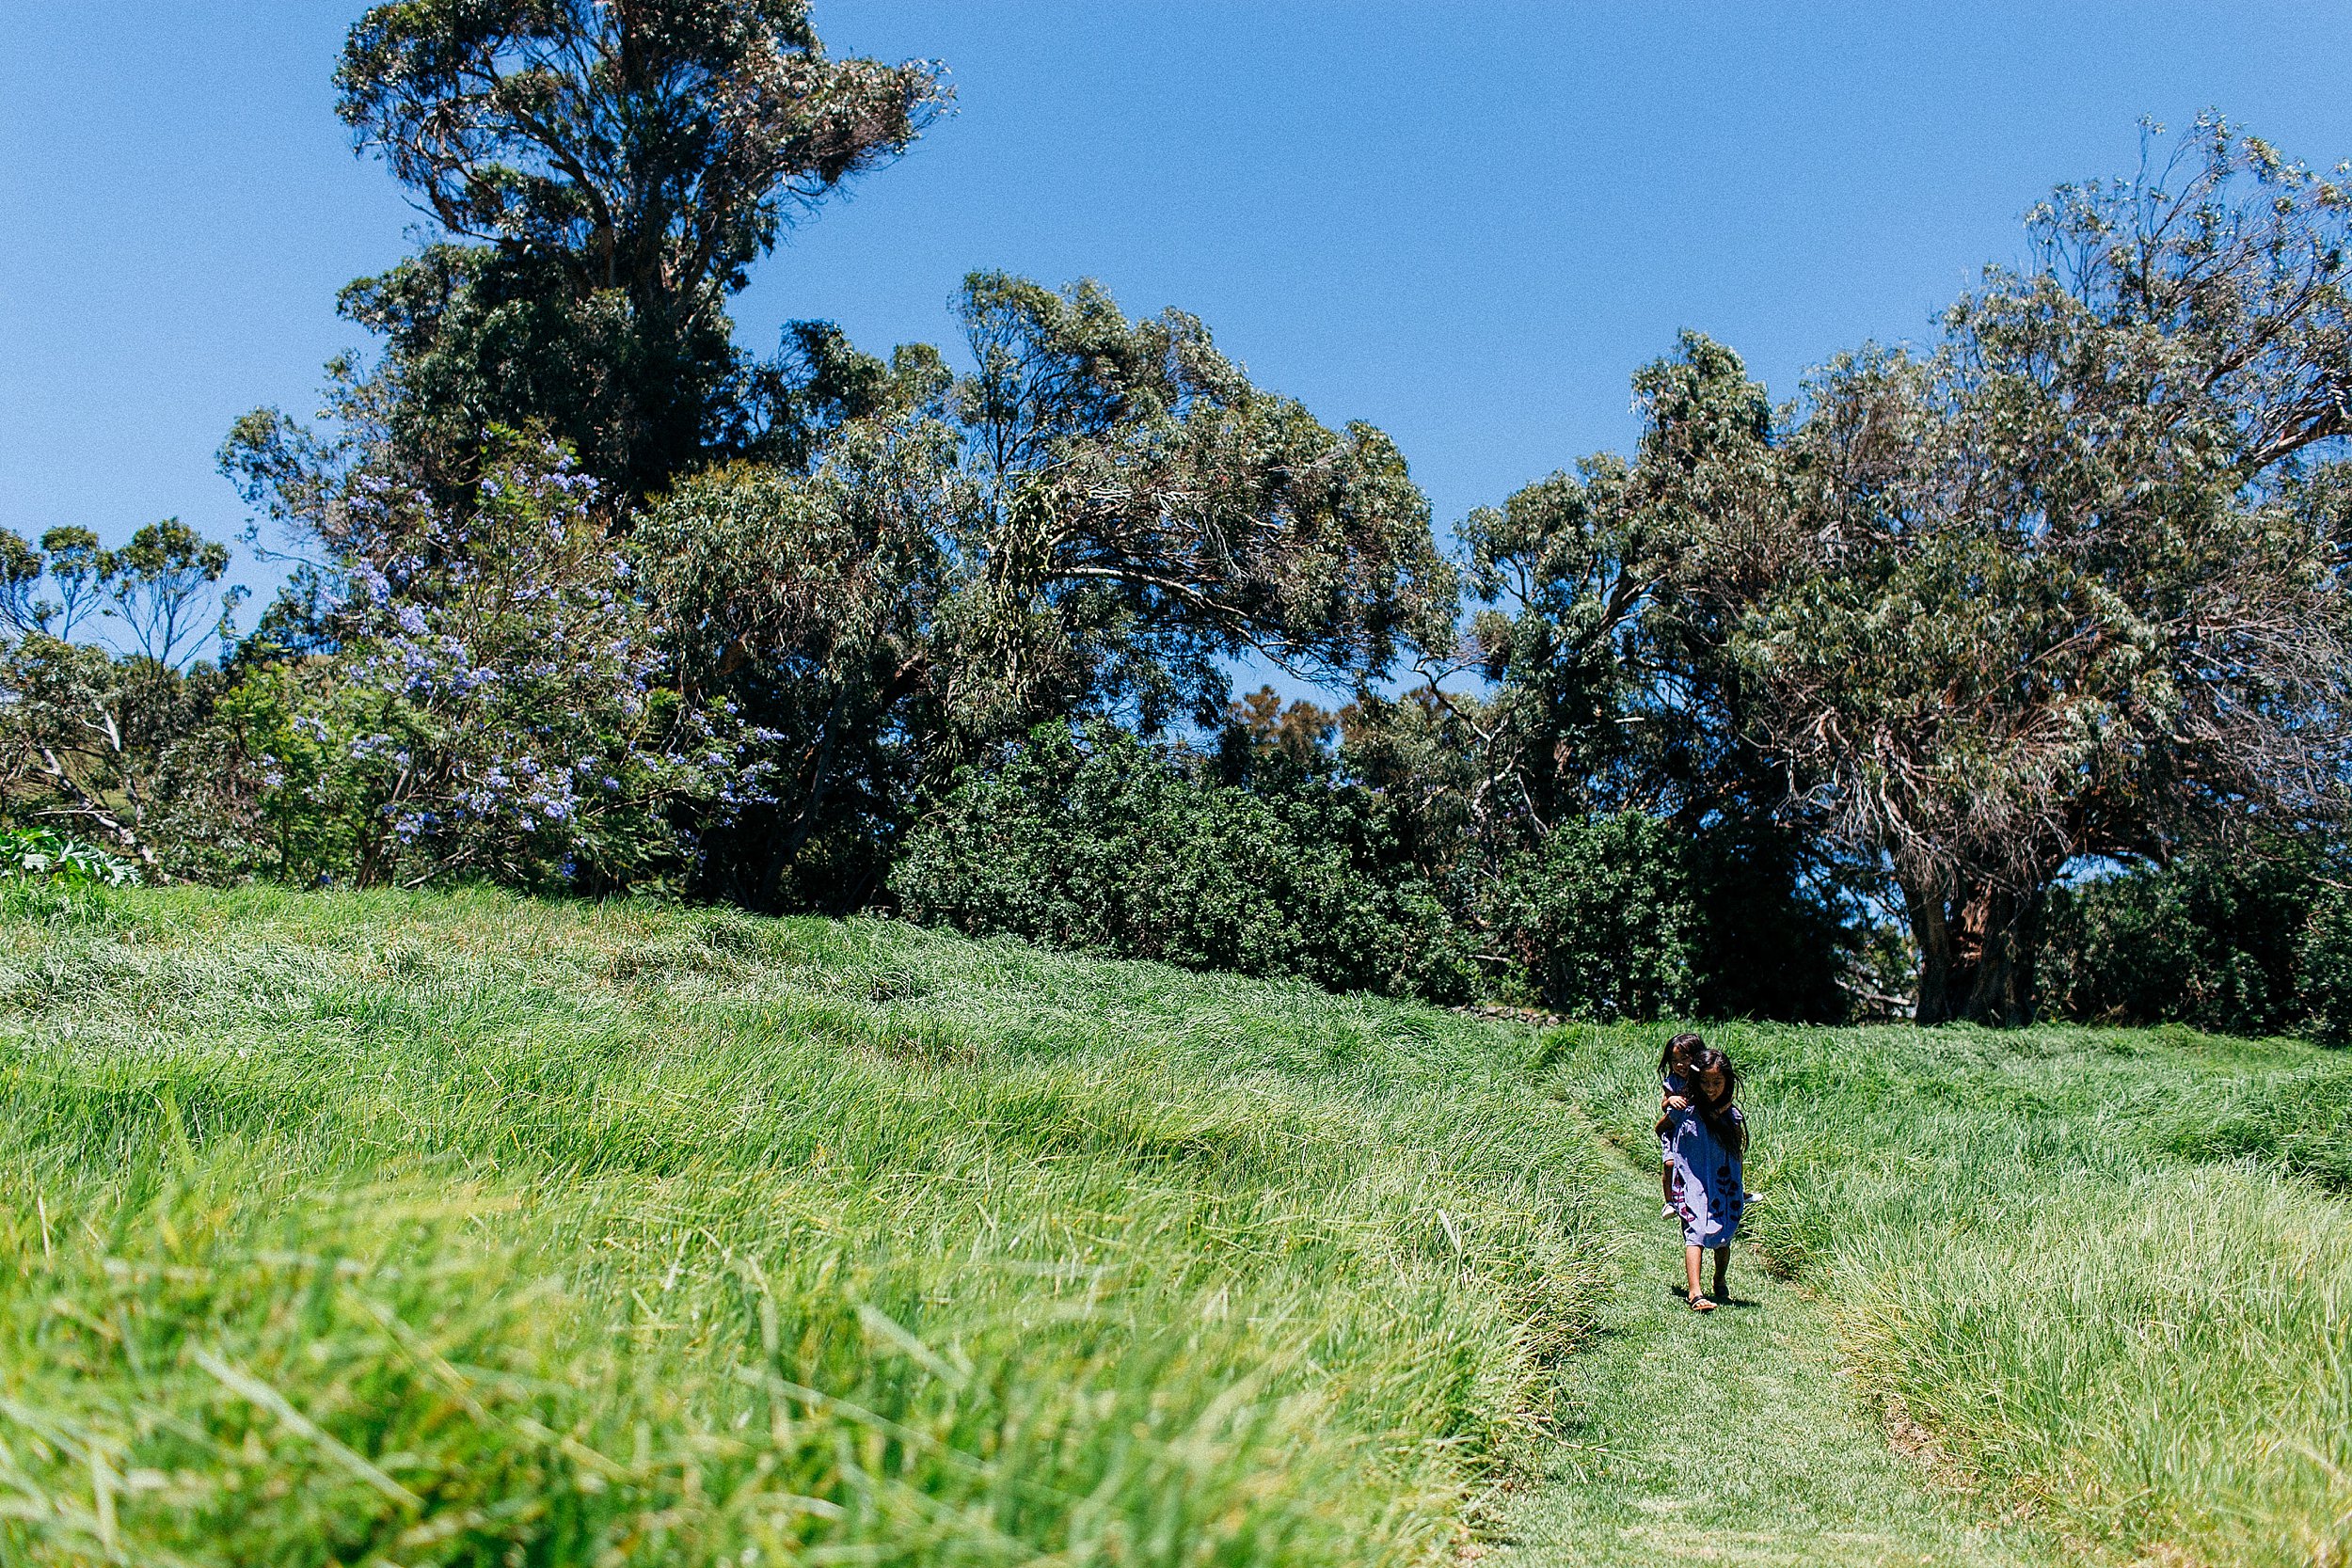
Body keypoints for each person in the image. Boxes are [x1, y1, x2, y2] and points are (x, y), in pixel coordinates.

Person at [1657, 1042, 1747, 1311]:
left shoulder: (1731, 1115)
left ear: (1726, 1082)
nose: (1710, 1088)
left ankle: (1719, 1280)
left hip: (1722, 1183)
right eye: (1705, 1082)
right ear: (1695, 1081)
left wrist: (1739, 1183)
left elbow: (1737, 1153)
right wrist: (1676, 1153)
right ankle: (1695, 1293)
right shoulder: (1685, 1110)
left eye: (1716, 1082)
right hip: (1692, 1181)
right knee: (1694, 1232)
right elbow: (1661, 1128)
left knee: (1723, 1235)